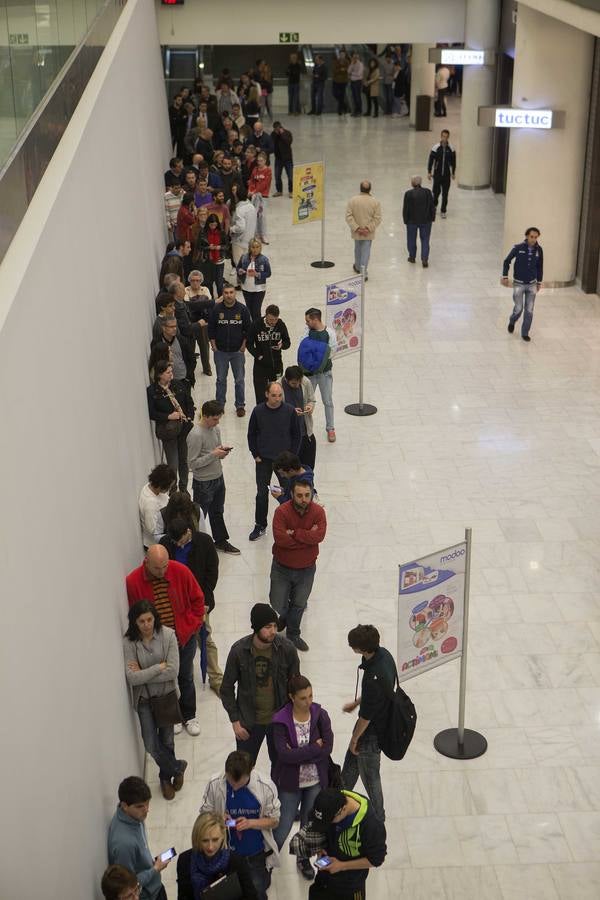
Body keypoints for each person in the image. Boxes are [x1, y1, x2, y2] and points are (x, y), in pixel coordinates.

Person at [126, 545, 205, 737]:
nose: (162, 572)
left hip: (183, 638)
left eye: (164, 567)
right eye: (156, 568)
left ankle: (189, 714)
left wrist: (191, 626)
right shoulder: (133, 581)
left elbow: (198, 599)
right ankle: (174, 716)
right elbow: (135, 613)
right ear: (146, 562)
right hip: (157, 643)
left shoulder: (181, 571)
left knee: (185, 676)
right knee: (167, 681)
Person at [271, 675, 334, 880]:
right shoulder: (280, 720)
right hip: (290, 783)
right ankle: (268, 860)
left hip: (315, 781)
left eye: (310, 696)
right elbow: (283, 755)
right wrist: (313, 748)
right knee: (283, 825)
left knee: (309, 825)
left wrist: (299, 753)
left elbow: (328, 749)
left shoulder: (320, 714)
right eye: (303, 698)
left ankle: (302, 858)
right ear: (291, 697)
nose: (308, 702)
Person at [220, 603, 300, 762]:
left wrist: (294, 721)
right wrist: (235, 721)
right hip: (249, 723)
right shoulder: (238, 651)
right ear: (256, 628)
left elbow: (296, 687)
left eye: (275, 626)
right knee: (244, 767)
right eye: (268, 626)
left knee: (280, 768)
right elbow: (226, 689)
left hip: (279, 722)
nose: (273, 631)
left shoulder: (287, 649)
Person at [123, 601, 186, 801]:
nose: (147, 624)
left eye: (149, 619)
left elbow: (173, 671)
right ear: (135, 622)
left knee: (167, 740)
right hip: (144, 699)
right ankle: (177, 767)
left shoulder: (168, 635)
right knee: (150, 744)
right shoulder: (129, 642)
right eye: (141, 621)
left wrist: (143, 672)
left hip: (166, 696)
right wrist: (158, 668)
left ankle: (164, 779)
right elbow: (132, 679)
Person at [199, 751, 280, 900]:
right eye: (231, 782)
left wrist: (251, 823)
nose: (235, 788)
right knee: (229, 891)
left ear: (251, 771)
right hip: (224, 852)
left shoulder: (266, 786)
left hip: (254, 853)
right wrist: (217, 818)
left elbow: (274, 821)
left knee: (256, 890)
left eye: (240, 783)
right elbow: (204, 815)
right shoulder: (215, 783)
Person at [340, 625, 398, 823]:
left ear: (361, 649)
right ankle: (336, 804)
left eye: (353, 646)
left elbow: (366, 717)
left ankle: (378, 821)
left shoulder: (374, 675)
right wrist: (357, 703)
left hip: (370, 735)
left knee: (371, 779)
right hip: (374, 724)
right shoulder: (384, 656)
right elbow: (379, 690)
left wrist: (355, 739)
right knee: (348, 773)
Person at [160, 517, 223, 695]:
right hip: (174, 602)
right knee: (173, 640)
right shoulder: (166, 544)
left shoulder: (204, 542)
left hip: (199, 602)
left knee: (205, 638)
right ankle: (176, 678)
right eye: (175, 543)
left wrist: (205, 602)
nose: (179, 546)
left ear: (188, 532)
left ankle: (216, 678)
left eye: (181, 542)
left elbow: (212, 573)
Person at [290, 788, 387, 900]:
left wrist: (341, 866)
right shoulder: (328, 801)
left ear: (343, 809)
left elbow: (376, 859)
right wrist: (319, 849)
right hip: (323, 880)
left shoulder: (371, 825)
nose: (327, 825)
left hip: (350, 888)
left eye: (328, 822)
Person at [269, 480, 326, 652]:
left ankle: (293, 634)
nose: (304, 499)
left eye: (307, 495)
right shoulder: (281, 512)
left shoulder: (318, 512)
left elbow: (319, 536)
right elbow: (280, 539)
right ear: (292, 494)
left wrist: (294, 533)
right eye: (299, 495)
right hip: (282, 567)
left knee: (299, 603)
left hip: (307, 568)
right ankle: (285, 616)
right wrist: (308, 536)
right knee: (276, 602)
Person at [247, 382, 301, 542]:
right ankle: (260, 524)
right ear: (266, 395)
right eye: (274, 395)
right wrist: (255, 454)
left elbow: (297, 435)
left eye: (280, 395)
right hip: (263, 459)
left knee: (288, 492)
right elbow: (251, 434)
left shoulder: (290, 411)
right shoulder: (258, 411)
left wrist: (292, 457)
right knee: (262, 493)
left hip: (284, 462)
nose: (277, 399)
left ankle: (291, 523)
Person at [187, 399, 240, 554]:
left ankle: (221, 541)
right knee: (200, 516)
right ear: (206, 416)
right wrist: (213, 454)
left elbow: (215, 450)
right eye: (215, 419)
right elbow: (192, 463)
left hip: (218, 477)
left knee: (218, 511)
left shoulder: (215, 430)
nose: (217, 423)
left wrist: (221, 452)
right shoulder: (195, 435)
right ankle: (196, 546)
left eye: (219, 419)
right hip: (203, 483)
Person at [107, 776, 170, 900]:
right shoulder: (124, 844)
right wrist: (156, 868)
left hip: (154, 884)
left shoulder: (134, 817)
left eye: (147, 804)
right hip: (149, 895)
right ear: (125, 806)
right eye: (140, 806)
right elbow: (128, 885)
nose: (147, 810)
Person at [176, 813, 258, 900]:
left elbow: (251, 896)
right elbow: (183, 896)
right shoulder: (185, 860)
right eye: (205, 841)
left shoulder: (237, 861)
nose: (210, 847)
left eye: (215, 840)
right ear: (197, 838)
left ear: (222, 836)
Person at [147, 361, 194, 493]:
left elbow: (189, 401)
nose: (171, 374)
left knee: (183, 461)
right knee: (173, 464)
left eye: (171, 371)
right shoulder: (152, 391)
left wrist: (190, 416)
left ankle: (184, 489)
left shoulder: (178, 384)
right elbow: (152, 413)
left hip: (183, 429)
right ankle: (173, 490)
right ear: (159, 375)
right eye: (168, 372)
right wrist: (168, 416)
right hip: (169, 431)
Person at [207, 283, 252, 416]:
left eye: (231, 292)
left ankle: (240, 405)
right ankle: (219, 405)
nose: (228, 295)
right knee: (221, 379)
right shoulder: (216, 309)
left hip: (237, 352)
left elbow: (248, 329)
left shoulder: (242, 310)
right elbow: (211, 329)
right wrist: (213, 345)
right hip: (220, 352)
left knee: (239, 380)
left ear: (235, 293)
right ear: (223, 294)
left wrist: (244, 346)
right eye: (226, 293)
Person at [502, 227, 544, 342]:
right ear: (526, 236)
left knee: (529, 310)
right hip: (518, 284)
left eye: (535, 237)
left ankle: (525, 333)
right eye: (531, 237)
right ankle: (512, 320)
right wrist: (505, 276)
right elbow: (507, 261)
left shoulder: (539, 250)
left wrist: (539, 282)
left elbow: (540, 267)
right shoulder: (518, 248)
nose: (533, 239)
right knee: (519, 308)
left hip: (532, 285)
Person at [302, 308, 337, 443]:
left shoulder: (330, 333)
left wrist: (318, 361)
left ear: (315, 319)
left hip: (324, 373)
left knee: (327, 401)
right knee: (306, 400)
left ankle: (330, 428)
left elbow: (332, 352)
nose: (306, 323)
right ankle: (304, 428)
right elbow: (303, 348)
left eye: (308, 320)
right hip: (309, 373)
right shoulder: (307, 332)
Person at [247, 304, 291, 404]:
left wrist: (282, 345)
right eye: (270, 319)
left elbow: (288, 342)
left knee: (276, 394)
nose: (273, 322)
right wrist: (258, 355)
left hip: (276, 365)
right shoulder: (256, 325)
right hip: (260, 366)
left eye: (275, 319)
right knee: (260, 394)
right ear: (265, 315)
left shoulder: (280, 324)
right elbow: (249, 344)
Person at [279, 365, 317, 470]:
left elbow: (312, 399)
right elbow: (275, 408)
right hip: (288, 437)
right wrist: (291, 412)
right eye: (294, 383)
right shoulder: (278, 387)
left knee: (308, 468)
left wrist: (310, 406)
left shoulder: (305, 382)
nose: (297, 385)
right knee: (291, 470)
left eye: (299, 382)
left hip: (305, 433)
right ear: (287, 380)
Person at [345, 181, 382, 279]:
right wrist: (368, 228)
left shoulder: (353, 200)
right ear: (370, 189)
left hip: (356, 231)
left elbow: (348, 216)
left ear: (360, 188)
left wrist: (357, 228)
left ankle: (357, 267)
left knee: (357, 249)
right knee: (365, 251)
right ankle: (363, 272)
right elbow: (377, 218)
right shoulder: (375, 202)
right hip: (368, 233)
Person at [139, 464, 176, 550]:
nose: (170, 489)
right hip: (156, 544)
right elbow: (153, 530)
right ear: (161, 486)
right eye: (169, 487)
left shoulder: (152, 486)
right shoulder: (150, 503)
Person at [184, 270, 213, 376]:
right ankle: (190, 370)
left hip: (203, 323)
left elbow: (209, 305)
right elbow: (188, 306)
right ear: (189, 281)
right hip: (191, 323)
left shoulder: (205, 289)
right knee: (190, 347)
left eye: (197, 280)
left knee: (204, 347)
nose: (195, 283)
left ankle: (207, 368)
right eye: (193, 280)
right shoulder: (185, 290)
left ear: (201, 281)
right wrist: (202, 302)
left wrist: (195, 304)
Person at [402, 175, 435, 267]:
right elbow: (432, 206)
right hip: (426, 221)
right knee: (425, 240)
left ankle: (412, 257)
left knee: (411, 239)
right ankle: (424, 259)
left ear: (412, 183)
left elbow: (406, 209)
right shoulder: (428, 192)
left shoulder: (408, 194)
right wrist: (432, 218)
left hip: (412, 221)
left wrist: (405, 220)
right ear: (420, 183)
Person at [237, 238, 272, 323]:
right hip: (246, 288)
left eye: (257, 247)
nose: (255, 249)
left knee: (256, 311)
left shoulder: (264, 259)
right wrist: (240, 271)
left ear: (260, 248)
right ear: (250, 247)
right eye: (253, 247)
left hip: (259, 289)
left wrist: (257, 274)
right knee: (249, 310)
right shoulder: (244, 257)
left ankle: (257, 329)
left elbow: (268, 273)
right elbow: (238, 267)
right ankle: (251, 329)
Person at [196, 213, 230, 300]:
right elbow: (199, 246)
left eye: (215, 225)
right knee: (208, 282)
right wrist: (208, 247)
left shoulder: (221, 232)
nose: (213, 227)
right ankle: (210, 300)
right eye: (211, 225)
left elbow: (227, 246)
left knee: (219, 282)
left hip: (219, 260)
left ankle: (221, 299)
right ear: (208, 224)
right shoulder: (203, 232)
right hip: (208, 260)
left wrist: (220, 247)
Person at [427, 129, 456, 219]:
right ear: (441, 136)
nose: (444, 138)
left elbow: (453, 162)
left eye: (446, 137)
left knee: (445, 194)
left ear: (448, 137)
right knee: (435, 192)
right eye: (443, 136)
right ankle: (434, 206)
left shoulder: (451, 149)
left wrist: (453, 172)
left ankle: (443, 210)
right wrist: (429, 172)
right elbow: (431, 160)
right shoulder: (436, 148)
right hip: (437, 174)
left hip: (446, 175)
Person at [230, 189, 258, 276]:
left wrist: (231, 229)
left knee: (240, 264)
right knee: (249, 264)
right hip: (250, 240)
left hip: (239, 241)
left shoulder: (239, 209)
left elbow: (240, 227)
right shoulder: (251, 206)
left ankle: (243, 285)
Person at [247, 152, 272, 244]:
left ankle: (263, 235)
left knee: (262, 216)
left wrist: (255, 191)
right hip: (254, 196)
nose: (259, 162)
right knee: (254, 215)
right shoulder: (255, 169)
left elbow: (265, 183)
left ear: (265, 161)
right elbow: (252, 181)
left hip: (263, 196)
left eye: (261, 161)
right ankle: (256, 234)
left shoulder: (268, 170)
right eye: (258, 161)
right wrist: (250, 190)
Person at [271, 121, 293, 198]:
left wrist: (282, 134)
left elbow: (288, 142)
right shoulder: (273, 134)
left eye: (278, 128)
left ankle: (291, 191)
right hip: (278, 159)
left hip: (288, 159)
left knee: (290, 176)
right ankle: (279, 191)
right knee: (277, 176)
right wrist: (276, 135)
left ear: (281, 127)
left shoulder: (287, 133)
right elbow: (272, 144)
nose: (276, 130)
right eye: (275, 129)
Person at [331, 50, 349, 116]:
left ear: (345, 55)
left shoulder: (347, 62)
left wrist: (341, 70)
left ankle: (340, 110)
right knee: (334, 93)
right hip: (335, 80)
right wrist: (341, 70)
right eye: (341, 54)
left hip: (344, 81)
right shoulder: (336, 61)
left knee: (342, 95)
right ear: (339, 55)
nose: (342, 56)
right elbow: (334, 70)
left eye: (343, 54)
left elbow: (347, 70)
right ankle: (344, 105)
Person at [348, 52, 364, 117]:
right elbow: (348, 71)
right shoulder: (352, 63)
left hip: (358, 82)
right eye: (354, 57)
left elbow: (359, 74)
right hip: (352, 82)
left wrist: (352, 74)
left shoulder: (360, 64)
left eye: (356, 57)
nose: (355, 59)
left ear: (358, 57)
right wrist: (351, 64)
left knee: (358, 97)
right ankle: (355, 111)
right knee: (354, 97)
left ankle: (359, 111)